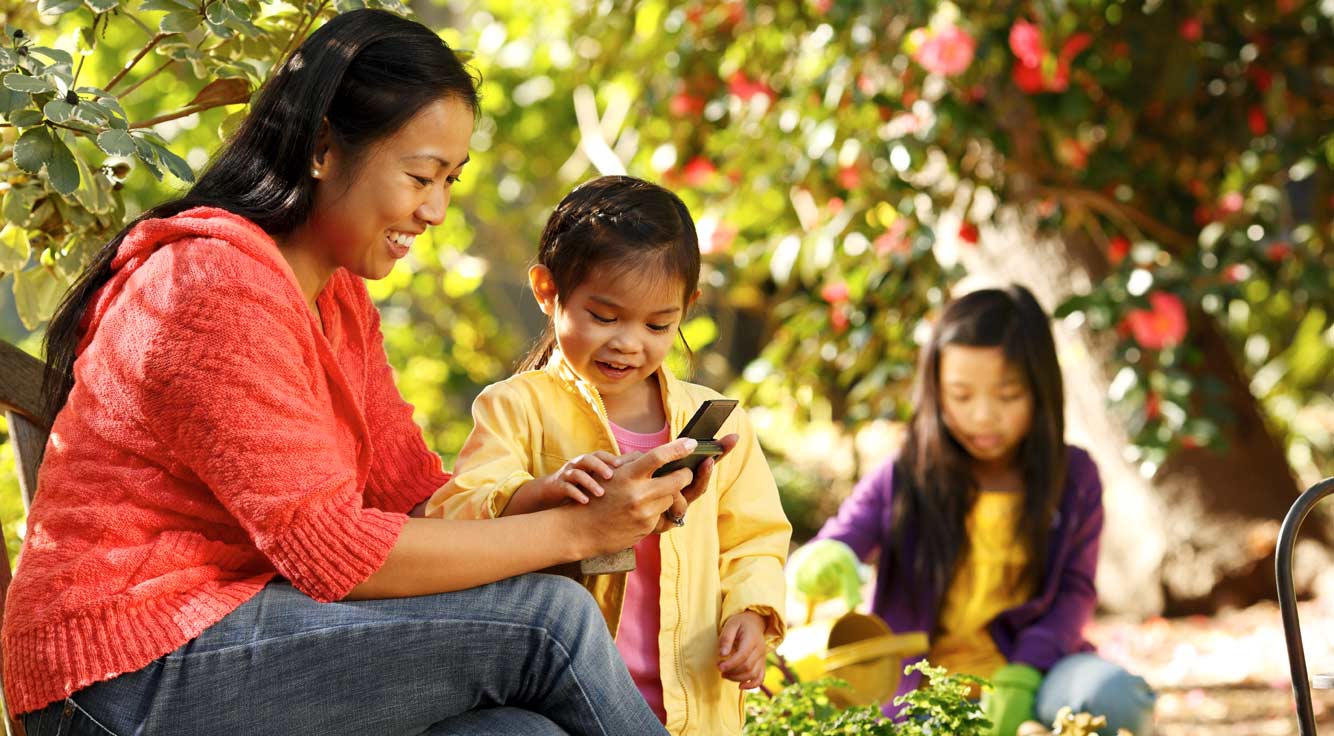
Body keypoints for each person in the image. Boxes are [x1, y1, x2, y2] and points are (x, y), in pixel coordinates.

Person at [4, 11, 699, 735]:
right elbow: (336, 554)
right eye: (422, 175)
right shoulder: (209, 284)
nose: (435, 210)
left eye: (451, 181)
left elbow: (411, 501)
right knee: (549, 620)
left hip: (228, 641)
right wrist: (578, 532)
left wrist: (537, 501)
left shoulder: (335, 300)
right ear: (324, 147)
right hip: (120, 674)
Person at [426, 175, 792, 735]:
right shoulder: (514, 407)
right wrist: (545, 491)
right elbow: (459, 512)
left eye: (657, 324)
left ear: (686, 309)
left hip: (695, 693)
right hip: (564, 697)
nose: (629, 342)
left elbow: (754, 539)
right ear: (548, 291)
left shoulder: (715, 419)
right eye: (604, 316)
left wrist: (750, 612)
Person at [794, 286, 1156, 735]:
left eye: (1007, 395)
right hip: (921, 686)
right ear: (935, 391)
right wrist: (825, 559)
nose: (984, 417)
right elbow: (842, 539)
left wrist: (1024, 674)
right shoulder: (905, 475)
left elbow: (1075, 593)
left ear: (1041, 391)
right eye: (961, 396)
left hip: (1040, 676)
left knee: (1116, 699)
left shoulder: (1073, 476)